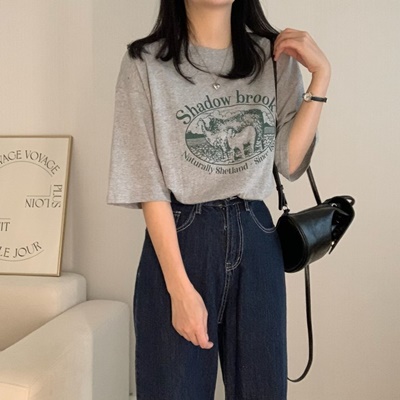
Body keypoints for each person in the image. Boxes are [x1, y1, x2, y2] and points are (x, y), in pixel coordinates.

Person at [107, 0, 330, 398]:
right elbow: (146, 184)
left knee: (262, 390)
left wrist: (321, 78)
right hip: (181, 239)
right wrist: (179, 289)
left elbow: (289, 162)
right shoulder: (145, 63)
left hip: (257, 236)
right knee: (173, 390)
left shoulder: (273, 56)